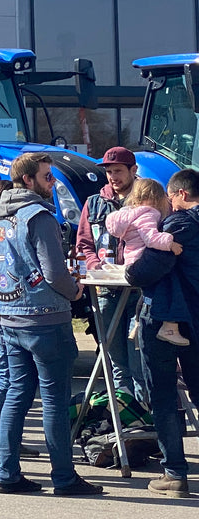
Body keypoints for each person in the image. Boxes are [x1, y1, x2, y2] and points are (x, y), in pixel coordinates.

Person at [0, 152, 101, 496]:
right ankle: (64, 477)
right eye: (47, 176)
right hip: (45, 317)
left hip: (10, 315)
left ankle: (7, 471)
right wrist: (75, 290)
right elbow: (53, 272)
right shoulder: (39, 216)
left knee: (17, 392)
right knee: (54, 399)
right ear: (28, 180)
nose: (52, 183)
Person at [127, 168, 199, 498]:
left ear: (181, 194)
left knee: (164, 395)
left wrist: (130, 268)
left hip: (165, 318)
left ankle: (175, 473)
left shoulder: (179, 225)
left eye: (170, 197)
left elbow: (144, 271)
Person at [75, 146, 147, 403]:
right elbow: (83, 243)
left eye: (118, 171)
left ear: (133, 170)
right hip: (105, 292)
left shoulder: (148, 199)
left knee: (139, 359)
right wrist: (95, 265)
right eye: (109, 172)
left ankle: (143, 416)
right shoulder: (94, 203)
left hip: (139, 293)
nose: (113, 177)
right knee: (115, 361)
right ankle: (123, 415)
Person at [105, 178, 189, 346]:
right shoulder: (149, 213)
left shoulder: (128, 214)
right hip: (143, 260)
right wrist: (170, 242)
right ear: (157, 198)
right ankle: (169, 327)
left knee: (145, 296)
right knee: (167, 285)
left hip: (131, 261)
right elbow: (151, 238)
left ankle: (137, 323)